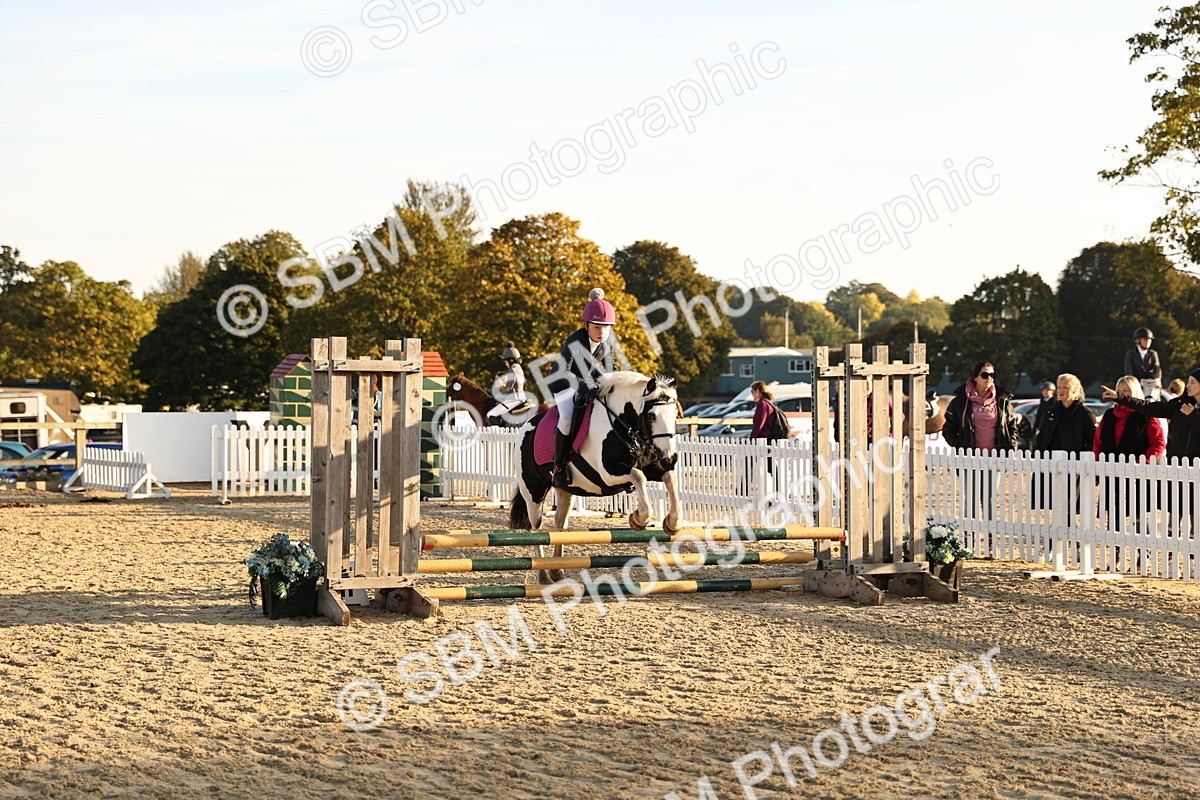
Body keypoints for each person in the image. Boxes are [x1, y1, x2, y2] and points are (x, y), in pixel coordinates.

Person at [551, 288, 617, 488]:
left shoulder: (607, 345)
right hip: (563, 384)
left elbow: (610, 370)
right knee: (567, 419)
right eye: (597, 327)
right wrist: (585, 386)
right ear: (587, 326)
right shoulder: (574, 341)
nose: (602, 333)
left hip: (589, 385)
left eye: (606, 328)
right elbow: (564, 372)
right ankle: (559, 466)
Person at [941, 361, 1019, 519]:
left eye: (992, 375)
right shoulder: (960, 402)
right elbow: (948, 429)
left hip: (994, 458)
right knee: (971, 499)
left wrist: (1010, 446)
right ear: (975, 377)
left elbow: (1012, 428)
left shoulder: (1002, 401)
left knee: (989, 499)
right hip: (969, 458)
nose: (989, 378)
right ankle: (968, 535)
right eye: (984, 374)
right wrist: (959, 446)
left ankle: (989, 536)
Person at [1093, 376, 1166, 532]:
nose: (1121, 394)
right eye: (1118, 391)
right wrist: (1098, 464)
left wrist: (1143, 463)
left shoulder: (1145, 414)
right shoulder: (1109, 415)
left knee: (1140, 514)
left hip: (1138, 474)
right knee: (1114, 514)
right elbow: (1098, 442)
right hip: (1111, 473)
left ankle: (1144, 552)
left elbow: (1159, 442)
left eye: (1126, 390)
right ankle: (1117, 551)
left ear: (1134, 392)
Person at [1032, 374, 1097, 515]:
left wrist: (1081, 458)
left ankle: (1069, 529)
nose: (1060, 391)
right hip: (1052, 463)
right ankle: (1059, 529)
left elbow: (1093, 440)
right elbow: (1043, 437)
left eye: (1065, 388)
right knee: (1054, 500)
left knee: (1071, 502)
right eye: (1059, 387)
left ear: (1075, 390)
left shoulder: (1085, 414)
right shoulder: (1051, 411)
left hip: (1075, 465)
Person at [487, 342, 528, 425]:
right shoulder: (518, 368)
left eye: (505, 361)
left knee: (491, 414)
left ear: (511, 360)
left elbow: (508, 389)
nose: (505, 363)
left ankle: (498, 435)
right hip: (520, 397)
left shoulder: (513, 370)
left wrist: (495, 393)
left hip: (514, 399)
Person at [1124, 326, 1162, 401]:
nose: (1148, 341)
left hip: (1150, 385)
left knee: (1167, 397)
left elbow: (1157, 370)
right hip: (1136, 385)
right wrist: (1136, 383)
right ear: (1138, 341)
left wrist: (1153, 380)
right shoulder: (1131, 353)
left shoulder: (1153, 353)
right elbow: (1128, 370)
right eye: (1145, 339)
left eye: (1149, 340)